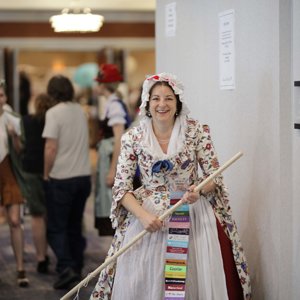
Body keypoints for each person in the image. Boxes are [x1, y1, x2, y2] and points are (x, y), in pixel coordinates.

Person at [90, 73, 252, 300]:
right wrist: (143, 216)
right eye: (156, 98)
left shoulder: (196, 131)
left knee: (189, 283)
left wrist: (199, 189)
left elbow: (213, 177)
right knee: (147, 282)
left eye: (168, 98)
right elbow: (121, 189)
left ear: (178, 102)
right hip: (148, 218)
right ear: (147, 103)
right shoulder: (133, 137)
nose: (162, 104)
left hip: (192, 214)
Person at [42, 75, 92, 289]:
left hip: (62, 177)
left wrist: (46, 173)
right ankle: (77, 265)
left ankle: (65, 268)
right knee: (74, 224)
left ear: (51, 92)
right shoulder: (79, 111)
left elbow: (50, 148)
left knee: (55, 227)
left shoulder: (53, 113)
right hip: (83, 177)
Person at [94, 64, 132, 236]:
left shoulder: (114, 105)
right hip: (109, 156)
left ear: (103, 85)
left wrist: (112, 170)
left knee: (114, 204)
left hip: (112, 158)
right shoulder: (112, 103)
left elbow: (119, 139)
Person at [21, 93, 56, 273]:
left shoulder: (26, 121)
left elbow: (20, 145)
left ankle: (41, 258)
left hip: (30, 169)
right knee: (53, 214)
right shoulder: (53, 121)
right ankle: (59, 252)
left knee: (36, 216)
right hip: (52, 170)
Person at [0, 79, 29, 287]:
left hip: (10, 172)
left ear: (5, 97)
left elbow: (21, 152)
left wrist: (15, 137)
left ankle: (20, 267)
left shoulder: (13, 119)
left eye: (1, 95)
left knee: (15, 221)